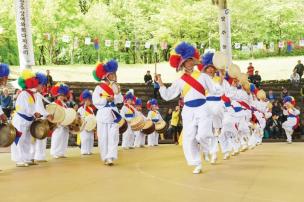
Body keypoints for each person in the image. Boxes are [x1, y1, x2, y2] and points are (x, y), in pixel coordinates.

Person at [156, 42, 222, 174]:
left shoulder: (203, 76)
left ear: (194, 61)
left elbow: (215, 90)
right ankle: (197, 163)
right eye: (186, 61)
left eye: (191, 60)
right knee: (189, 137)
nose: (189, 63)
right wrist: (161, 84)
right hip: (188, 110)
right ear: (182, 64)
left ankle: (207, 150)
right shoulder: (180, 80)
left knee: (203, 135)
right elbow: (168, 95)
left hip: (203, 108)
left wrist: (220, 83)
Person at [92, 60, 123, 166]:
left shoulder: (115, 86)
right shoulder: (98, 88)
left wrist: (116, 94)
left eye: (115, 73)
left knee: (114, 136)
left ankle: (110, 156)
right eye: (112, 74)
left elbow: (120, 100)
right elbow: (96, 101)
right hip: (103, 113)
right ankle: (105, 156)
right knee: (104, 136)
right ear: (106, 75)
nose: (115, 75)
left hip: (114, 113)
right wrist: (106, 100)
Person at [11, 69, 40, 167]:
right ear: (28, 82)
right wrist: (34, 113)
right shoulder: (23, 94)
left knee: (27, 140)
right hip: (21, 120)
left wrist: (35, 114)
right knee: (20, 139)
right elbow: (24, 108)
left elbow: (32, 108)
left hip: (28, 120)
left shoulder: (33, 94)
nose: (36, 82)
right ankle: (19, 160)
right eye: (33, 80)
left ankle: (27, 158)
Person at [30, 72, 53, 163]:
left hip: (37, 117)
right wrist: (47, 114)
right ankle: (38, 156)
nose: (43, 87)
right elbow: (39, 108)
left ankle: (35, 156)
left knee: (37, 139)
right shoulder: (35, 94)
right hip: (38, 118)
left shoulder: (35, 94)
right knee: (40, 138)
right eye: (42, 85)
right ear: (37, 84)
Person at [50, 83, 71, 158]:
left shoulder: (65, 104)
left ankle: (61, 152)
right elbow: (51, 113)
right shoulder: (53, 103)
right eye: (60, 95)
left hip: (65, 123)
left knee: (64, 137)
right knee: (57, 137)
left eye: (63, 95)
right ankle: (54, 152)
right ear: (57, 95)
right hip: (57, 123)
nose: (62, 97)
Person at [77, 89, 95, 155]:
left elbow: (93, 117)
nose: (89, 101)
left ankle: (89, 150)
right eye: (88, 100)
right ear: (84, 100)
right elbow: (78, 118)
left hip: (91, 126)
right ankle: (84, 150)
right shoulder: (80, 109)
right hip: (84, 126)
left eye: (90, 100)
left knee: (90, 138)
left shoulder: (91, 109)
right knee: (85, 138)